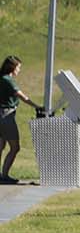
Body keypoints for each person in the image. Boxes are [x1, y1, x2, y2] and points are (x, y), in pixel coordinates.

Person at [0, 55, 46, 185]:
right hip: (6, 116)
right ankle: (4, 176)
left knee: (1, 146)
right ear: (12, 67)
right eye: (18, 67)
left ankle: (1, 175)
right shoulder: (8, 80)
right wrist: (38, 106)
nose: (19, 70)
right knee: (15, 147)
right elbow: (22, 96)